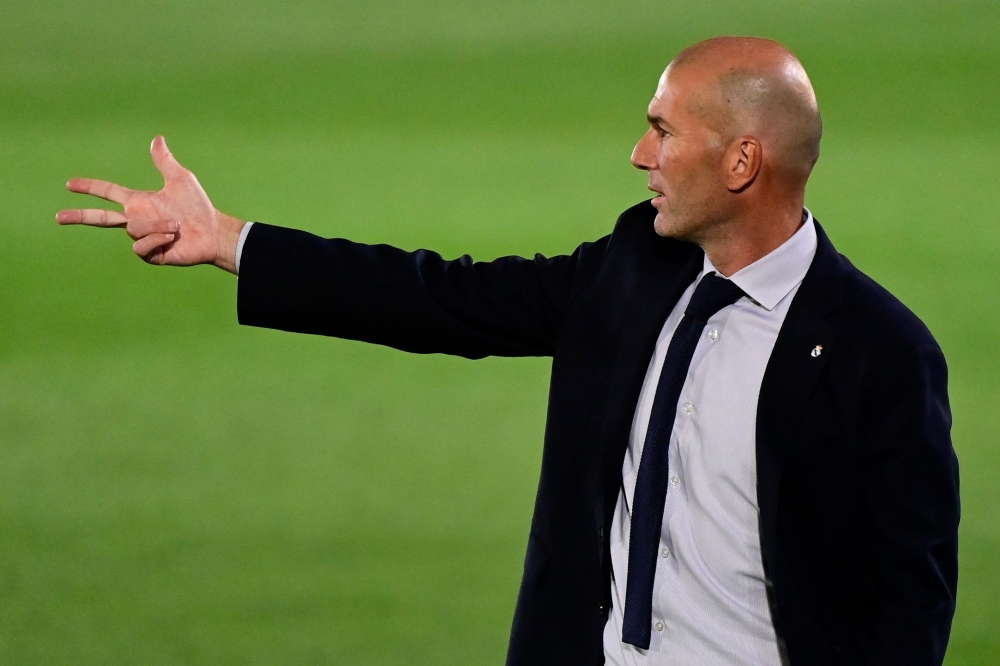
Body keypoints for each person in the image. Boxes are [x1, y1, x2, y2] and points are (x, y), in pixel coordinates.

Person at [57, 36, 959, 666]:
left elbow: (907, 607)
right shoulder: (635, 268)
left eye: (664, 129)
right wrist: (229, 239)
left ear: (741, 163)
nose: (638, 152)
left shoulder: (881, 354)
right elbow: (445, 299)